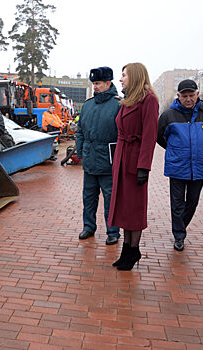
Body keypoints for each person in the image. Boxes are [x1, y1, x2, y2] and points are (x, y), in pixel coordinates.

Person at [157, 79, 203, 251]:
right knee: (177, 204)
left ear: (197, 94)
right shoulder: (169, 116)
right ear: (178, 96)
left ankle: (180, 226)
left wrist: (199, 148)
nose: (188, 99)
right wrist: (175, 150)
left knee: (192, 202)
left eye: (191, 95)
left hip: (199, 166)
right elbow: (160, 136)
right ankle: (179, 236)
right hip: (177, 167)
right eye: (184, 96)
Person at [108, 62, 159, 271]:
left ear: (136, 76)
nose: (121, 79)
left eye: (124, 75)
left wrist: (143, 167)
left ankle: (133, 249)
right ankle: (127, 249)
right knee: (124, 207)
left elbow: (149, 136)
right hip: (121, 159)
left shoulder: (149, 100)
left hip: (135, 161)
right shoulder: (128, 100)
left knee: (134, 209)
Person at [76, 67, 121, 245]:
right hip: (89, 159)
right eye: (93, 83)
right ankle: (88, 226)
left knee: (110, 198)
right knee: (88, 196)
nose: (94, 87)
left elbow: (122, 135)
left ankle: (113, 231)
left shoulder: (118, 104)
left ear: (108, 83)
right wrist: (80, 152)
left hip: (108, 160)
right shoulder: (87, 105)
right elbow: (80, 131)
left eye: (98, 83)